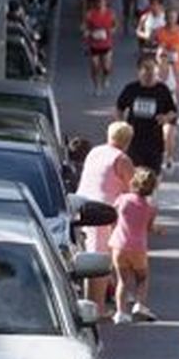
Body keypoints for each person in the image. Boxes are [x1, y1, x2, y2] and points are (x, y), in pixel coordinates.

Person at [76, 121, 136, 314]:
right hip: (102, 214)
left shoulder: (95, 152)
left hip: (80, 206)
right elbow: (133, 190)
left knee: (88, 258)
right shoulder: (122, 159)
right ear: (127, 141)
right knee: (99, 262)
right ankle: (97, 308)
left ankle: (90, 303)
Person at [110, 168, 160, 324]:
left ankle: (120, 313)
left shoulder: (123, 199)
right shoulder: (150, 207)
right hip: (138, 247)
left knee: (122, 280)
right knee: (142, 278)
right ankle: (140, 304)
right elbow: (149, 228)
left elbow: (113, 216)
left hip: (119, 245)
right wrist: (159, 230)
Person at [116, 55, 178, 173]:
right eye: (146, 68)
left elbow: (173, 112)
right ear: (139, 71)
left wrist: (165, 118)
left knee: (152, 177)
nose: (150, 72)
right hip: (134, 141)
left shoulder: (162, 90)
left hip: (155, 142)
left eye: (153, 68)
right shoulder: (131, 89)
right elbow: (119, 108)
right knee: (135, 177)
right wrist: (121, 124)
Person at [82, 0, 118, 96]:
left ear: (105, 2)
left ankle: (106, 77)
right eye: (98, 1)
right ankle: (97, 87)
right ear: (95, 2)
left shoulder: (110, 13)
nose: (100, 3)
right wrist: (87, 32)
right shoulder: (90, 14)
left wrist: (111, 31)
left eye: (102, 1)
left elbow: (115, 25)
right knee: (95, 66)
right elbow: (85, 26)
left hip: (106, 44)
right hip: (94, 44)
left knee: (106, 66)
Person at [154, 12, 179, 104]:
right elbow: (152, 43)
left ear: (176, 19)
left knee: (176, 81)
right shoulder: (159, 30)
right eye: (169, 18)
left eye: (173, 18)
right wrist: (161, 47)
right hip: (163, 60)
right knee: (162, 81)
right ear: (165, 19)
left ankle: (173, 101)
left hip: (177, 59)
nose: (171, 20)